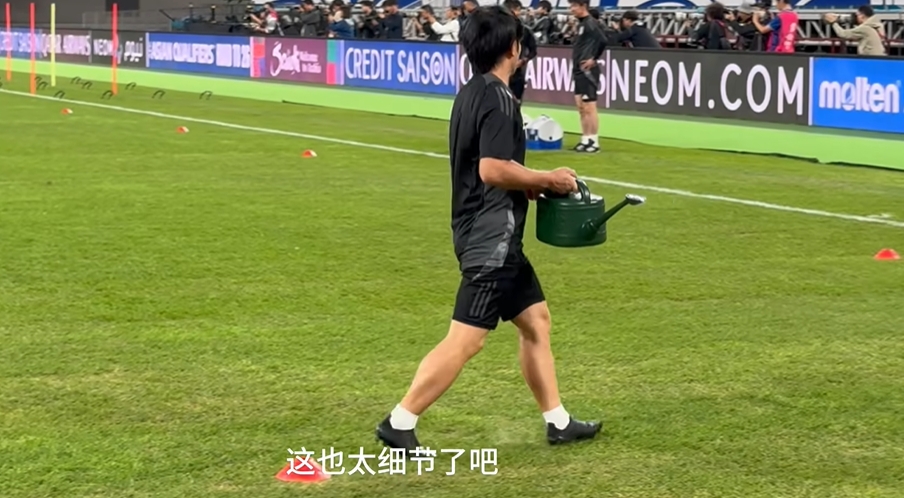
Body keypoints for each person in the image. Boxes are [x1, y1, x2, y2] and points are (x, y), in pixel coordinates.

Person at [375, 5, 602, 453]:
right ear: (512, 47)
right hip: (491, 237)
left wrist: (527, 183)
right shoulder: (499, 100)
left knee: (536, 321)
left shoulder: (473, 92)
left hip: (490, 231)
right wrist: (547, 179)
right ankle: (399, 421)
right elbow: (493, 169)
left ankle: (558, 421)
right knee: (467, 339)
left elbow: (489, 166)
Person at [569, 0, 607, 153]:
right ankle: (585, 138)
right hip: (578, 70)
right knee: (581, 106)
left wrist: (594, 58)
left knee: (589, 106)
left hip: (587, 71)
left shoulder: (591, 23)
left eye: (574, 6)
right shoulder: (582, 24)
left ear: (583, 6)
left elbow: (603, 40)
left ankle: (594, 141)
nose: (571, 9)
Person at [503, 0, 537, 103]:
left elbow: (533, 50)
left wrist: (523, 60)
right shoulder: (499, 29)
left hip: (517, 74)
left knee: (516, 103)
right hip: (501, 72)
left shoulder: (525, 31)